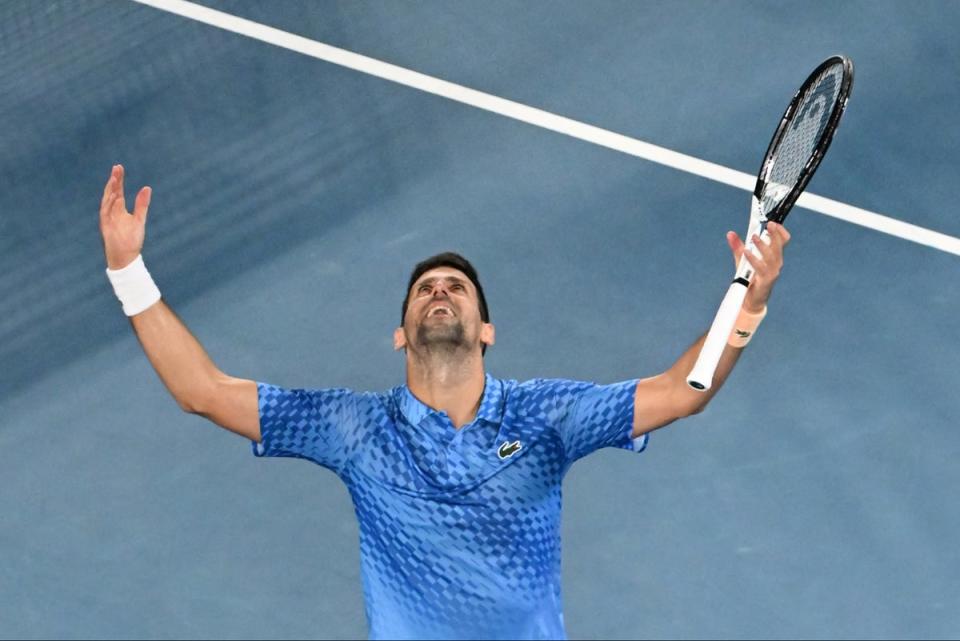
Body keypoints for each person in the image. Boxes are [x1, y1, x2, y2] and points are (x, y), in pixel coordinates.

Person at [99, 164, 789, 640]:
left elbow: (682, 390)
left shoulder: (546, 416)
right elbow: (203, 391)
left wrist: (747, 301)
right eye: (427, 286)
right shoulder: (355, 430)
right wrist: (128, 270)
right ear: (400, 333)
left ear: (486, 330)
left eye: (456, 288)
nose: (440, 291)